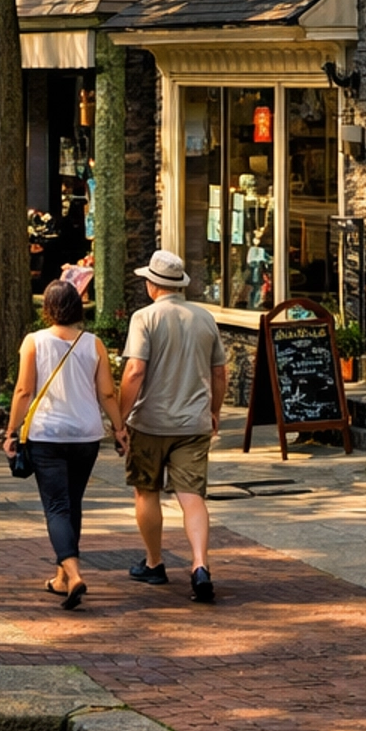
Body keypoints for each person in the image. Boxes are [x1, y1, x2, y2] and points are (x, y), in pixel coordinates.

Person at [4, 278, 126, 609]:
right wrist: (119, 428)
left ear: (47, 308)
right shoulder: (93, 344)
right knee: (73, 503)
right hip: (86, 435)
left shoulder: (34, 341)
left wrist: (11, 431)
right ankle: (62, 578)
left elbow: (23, 391)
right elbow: (107, 393)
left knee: (57, 506)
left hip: (47, 435)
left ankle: (73, 574)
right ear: (77, 307)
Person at [119, 250, 227, 603]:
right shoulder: (205, 318)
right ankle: (200, 565)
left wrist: (120, 417)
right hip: (193, 422)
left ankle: (154, 562)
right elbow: (219, 372)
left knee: (146, 491)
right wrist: (214, 410)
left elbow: (134, 370)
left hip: (149, 422)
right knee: (192, 497)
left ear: (152, 285)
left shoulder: (144, 318)